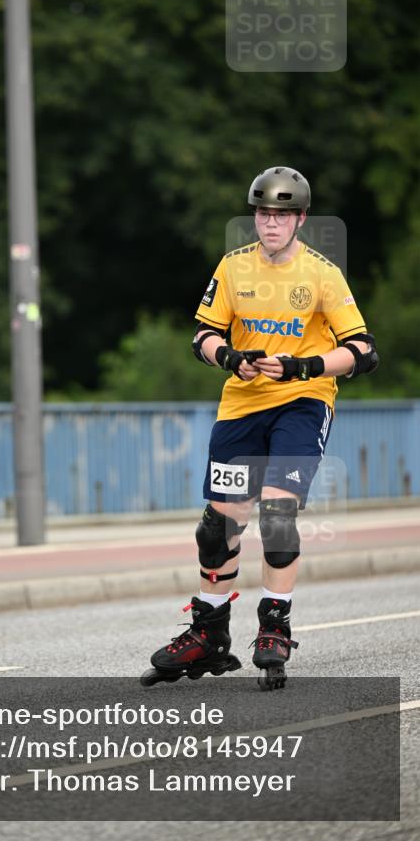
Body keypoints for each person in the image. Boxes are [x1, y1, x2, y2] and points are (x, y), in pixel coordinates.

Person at [141, 167, 378, 689]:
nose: (271, 223)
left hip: (303, 402)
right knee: (217, 529)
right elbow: (202, 336)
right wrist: (231, 357)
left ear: (300, 219)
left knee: (276, 515)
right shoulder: (233, 267)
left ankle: (274, 625)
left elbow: (363, 351)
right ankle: (209, 631)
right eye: (264, 214)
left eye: (282, 215)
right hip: (242, 405)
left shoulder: (322, 274)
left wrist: (303, 367)